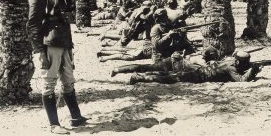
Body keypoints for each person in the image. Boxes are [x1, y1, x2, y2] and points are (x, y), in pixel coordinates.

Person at [26, 0, 87, 134]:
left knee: (68, 80)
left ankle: (76, 117)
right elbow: (33, 24)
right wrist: (40, 52)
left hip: (63, 41)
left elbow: (63, 17)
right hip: (50, 43)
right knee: (49, 83)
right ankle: (54, 124)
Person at [112, 50, 261, 85]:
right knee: (168, 78)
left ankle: (139, 74)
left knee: (167, 75)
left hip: (196, 70)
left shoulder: (229, 60)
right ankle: (138, 77)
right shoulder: (232, 69)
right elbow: (241, 81)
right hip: (198, 76)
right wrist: (253, 70)